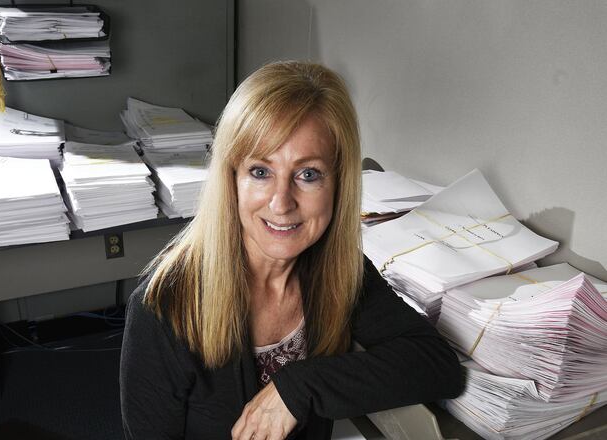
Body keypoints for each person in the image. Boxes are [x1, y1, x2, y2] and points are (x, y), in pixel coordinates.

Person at [120, 61, 464, 440]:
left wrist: (299, 388)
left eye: (308, 174)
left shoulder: (338, 271)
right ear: (231, 178)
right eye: (260, 172)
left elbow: (438, 365)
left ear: (338, 183)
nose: (282, 204)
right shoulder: (164, 306)